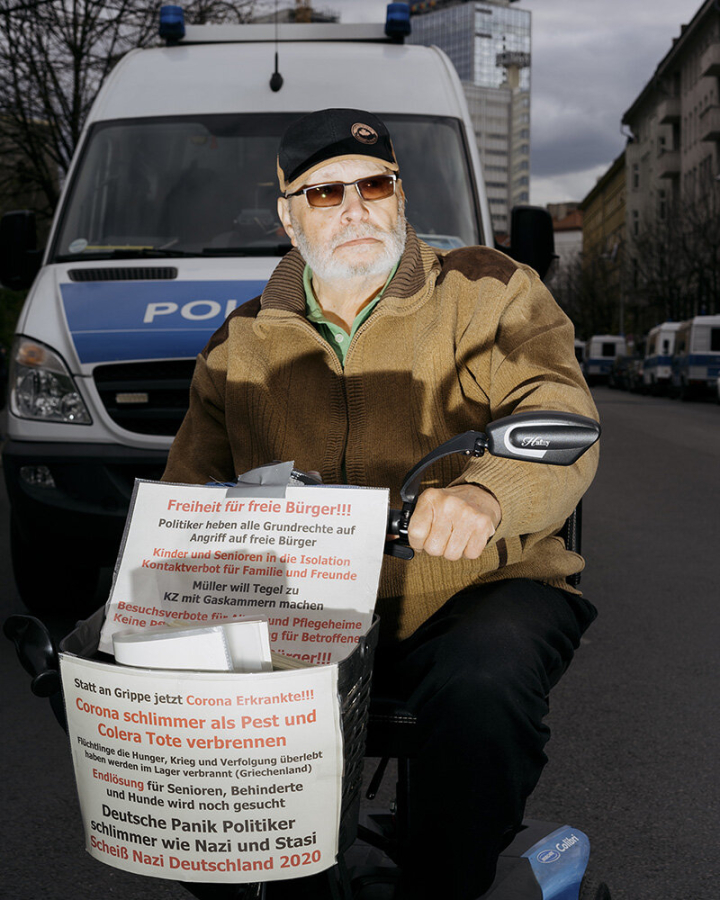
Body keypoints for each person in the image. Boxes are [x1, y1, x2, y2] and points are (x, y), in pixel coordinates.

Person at [163, 108, 600, 900]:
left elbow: (562, 414)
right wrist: (153, 607)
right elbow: (190, 496)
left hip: (479, 586)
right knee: (174, 702)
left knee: (485, 685)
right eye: (325, 195)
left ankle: (444, 884)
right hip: (308, 604)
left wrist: (484, 492)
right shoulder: (238, 344)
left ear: (400, 196)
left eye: (374, 184)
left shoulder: (491, 290)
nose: (355, 207)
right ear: (289, 219)